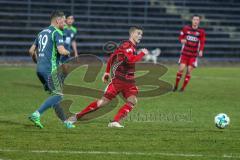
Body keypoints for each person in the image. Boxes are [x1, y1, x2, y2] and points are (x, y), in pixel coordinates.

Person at [65, 26, 149, 128]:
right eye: (138, 33)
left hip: (129, 81)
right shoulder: (127, 45)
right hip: (118, 80)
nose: (140, 36)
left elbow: (112, 56)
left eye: (141, 34)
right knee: (102, 103)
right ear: (132, 34)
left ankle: (114, 122)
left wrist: (106, 72)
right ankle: (74, 117)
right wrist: (142, 54)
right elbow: (130, 60)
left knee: (132, 101)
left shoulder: (130, 46)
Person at [28, 10, 74, 129]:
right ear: (57, 20)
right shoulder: (56, 32)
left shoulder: (41, 33)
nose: (64, 24)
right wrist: (68, 52)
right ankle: (36, 114)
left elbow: (31, 51)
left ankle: (65, 122)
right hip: (50, 70)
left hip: (40, 70)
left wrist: (37, 61)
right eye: (63, 21)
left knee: (55, 96)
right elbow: (61, 50)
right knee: (58, 95)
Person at [173, 15, 206, 92]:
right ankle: (176, 86)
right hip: (184, 53)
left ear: (199, 21)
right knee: (181, 69)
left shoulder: (201, 32)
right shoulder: (186, 28)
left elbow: (202, 42)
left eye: (197, 20)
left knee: (188, 71)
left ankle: (183, 88)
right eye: (194, 19)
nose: (195, 21)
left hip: (193, 55)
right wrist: (182, 40)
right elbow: (180, 37)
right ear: (192, 20)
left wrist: (201, 50)